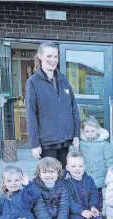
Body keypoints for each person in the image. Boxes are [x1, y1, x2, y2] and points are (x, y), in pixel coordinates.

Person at [26, 41, 80, 169]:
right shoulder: (33, 82)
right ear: (40, 55)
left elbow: (73, 108)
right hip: (47, 143)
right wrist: (34, 144)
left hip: (66, 141)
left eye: (55, 56)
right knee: (49, 178)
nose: (53, 60)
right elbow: (31, 115)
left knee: (64, 177)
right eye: (49, 56)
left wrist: (76, 134)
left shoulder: (63, 79)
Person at [74, 116, 113, 210]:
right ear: (83, 131)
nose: (90, 134)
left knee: (98, 200)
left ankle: (99, 215)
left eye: (92, 131)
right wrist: (76, 148)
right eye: (87, 131)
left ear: (97, 130)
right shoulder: (80, 143)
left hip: (100, 180)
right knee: (85, 199)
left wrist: (110, 176)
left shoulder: (104, 144)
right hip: (84, 178)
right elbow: (74, 158)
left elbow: (109, 161)